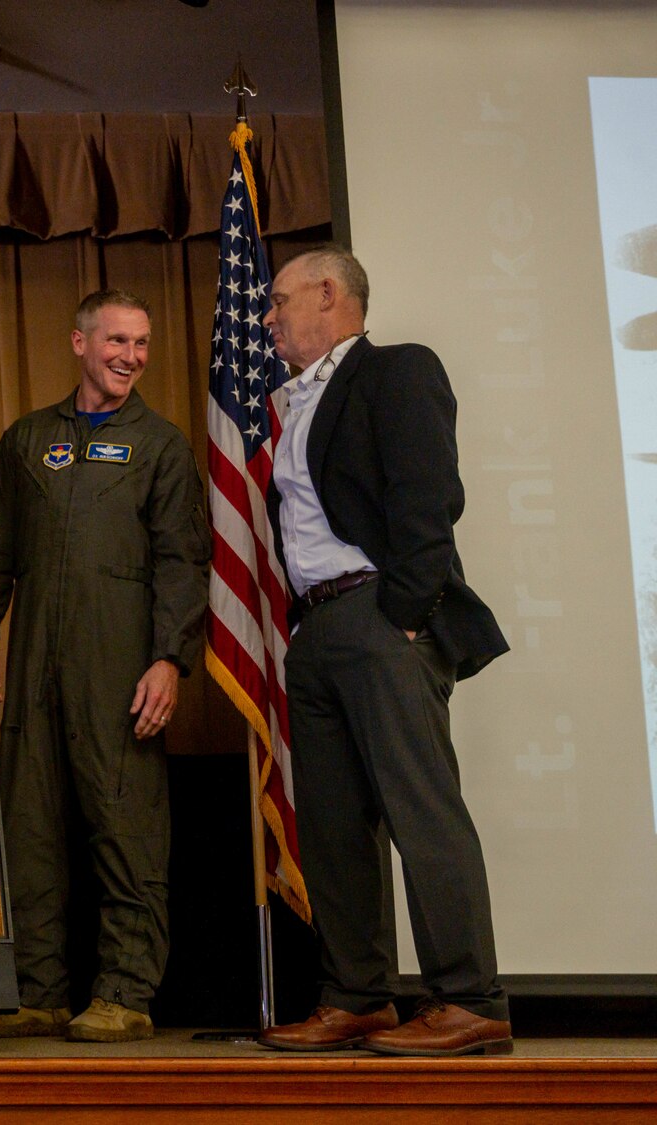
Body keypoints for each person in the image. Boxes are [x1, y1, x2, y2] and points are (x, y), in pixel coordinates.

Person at [256, 246, 512, 1057]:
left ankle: (470, 998)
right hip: (318, 628)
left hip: (379, 614)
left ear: (329, 294)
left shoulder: (398, 370)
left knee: (421, 810)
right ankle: (358, 996)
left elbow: (429, 496)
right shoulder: (292, 403)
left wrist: (402, 614)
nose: (268, 317)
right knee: (332, 827)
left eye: (280, 300)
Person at [0, 289, 211, 1043]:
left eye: (141, 344)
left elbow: (184, 564)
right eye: (116, 341)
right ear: (78, 342)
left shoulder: (161, 447)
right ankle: (35, 988)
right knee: (29, 827)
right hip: (38, 659)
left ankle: (126, 990)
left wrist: (170, 659)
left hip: (121, 668)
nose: (130, 357)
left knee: (126, 826)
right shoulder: (26, 439)